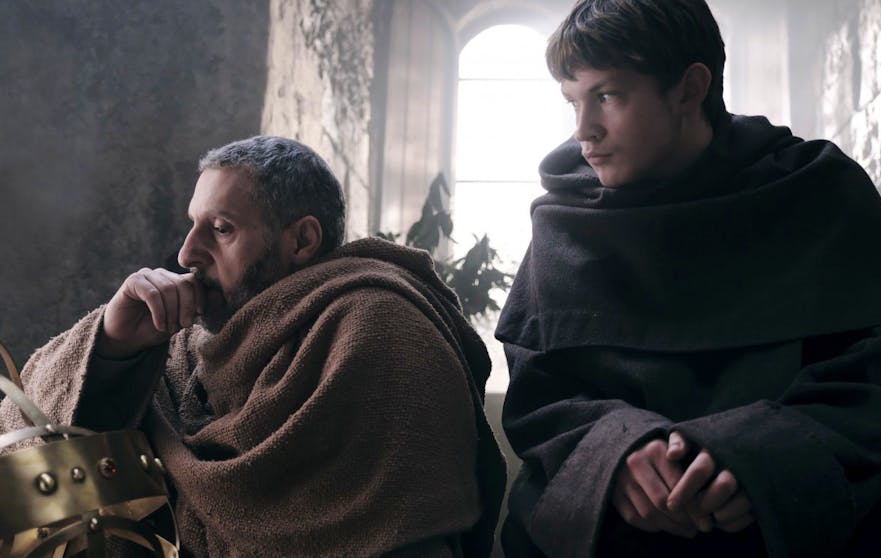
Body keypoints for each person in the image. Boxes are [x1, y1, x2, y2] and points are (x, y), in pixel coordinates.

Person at [494, 1, 881, 557]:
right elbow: (541, 394)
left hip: (801, 486)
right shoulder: (562, 221)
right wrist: (616, 453)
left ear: (690, 89)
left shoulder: (818, 190)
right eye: (573, 101)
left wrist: (759, 457)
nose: (584, 131)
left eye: (607, 96)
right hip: (622, 505)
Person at [0, 136, 505, 557]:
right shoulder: (181, 342)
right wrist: (114, 346)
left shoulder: (378, 326)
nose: (187, 253)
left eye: (221, 229)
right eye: (193, 224)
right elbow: (32, 472)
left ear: (302, 241)